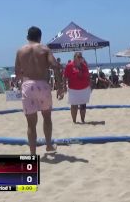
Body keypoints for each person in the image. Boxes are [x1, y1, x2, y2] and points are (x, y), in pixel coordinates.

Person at [15, 26, 65, 155]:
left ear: (27, 37)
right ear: (40, 37)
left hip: (28, 85)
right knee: (47, 117)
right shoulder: (45, 49)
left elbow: (17, 73)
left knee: (31, 124)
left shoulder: (20, 51)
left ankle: (32, 154)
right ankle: (48, 145)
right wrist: (60, 86)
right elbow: (55, 66)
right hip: (42, 85)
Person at [64, 52, 91, 123]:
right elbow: (65, 76)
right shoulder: (69, 65)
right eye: (78, 57)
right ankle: (74, 121)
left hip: (84, 88)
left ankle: (82, 120)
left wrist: (90, 85)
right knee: (74, 106)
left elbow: (88, 76)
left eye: (80, 57)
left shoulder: (84, 65)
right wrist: (63, 86)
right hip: (73, 89)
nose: (79, 58)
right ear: (74, 57)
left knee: (83, 105)